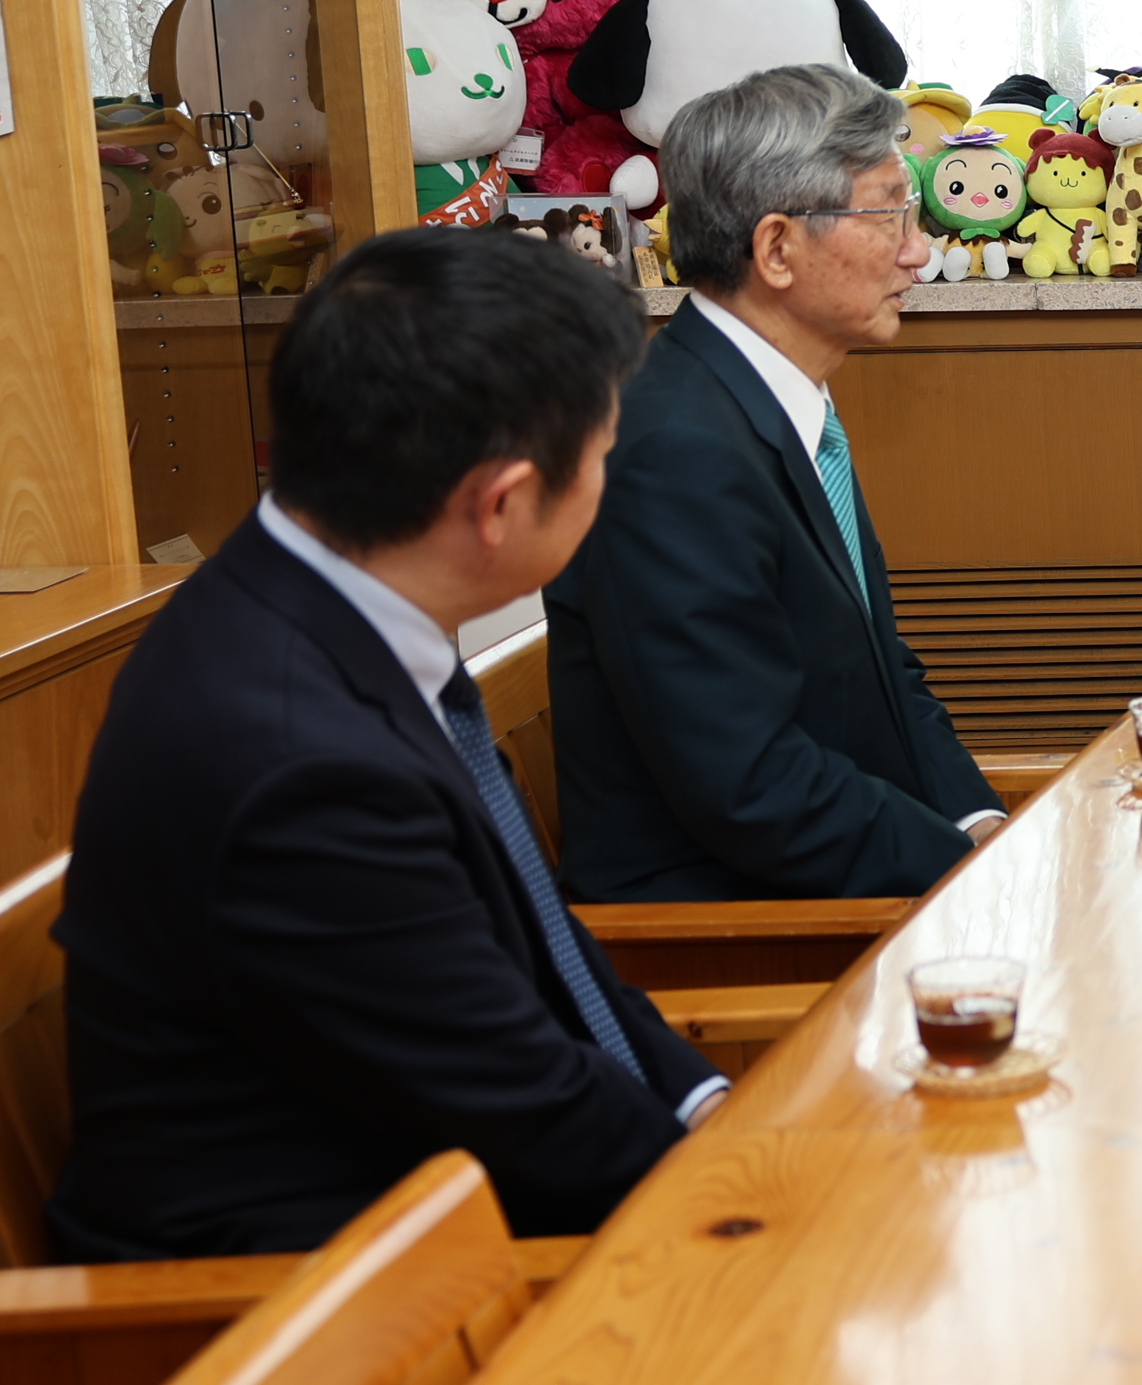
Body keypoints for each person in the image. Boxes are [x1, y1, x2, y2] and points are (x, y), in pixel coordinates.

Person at [51, 230, 719, 1259]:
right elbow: (525, 1106)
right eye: (600, 457)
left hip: (436, 1218)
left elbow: (542, 957)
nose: (609, 480)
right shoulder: (300, 767)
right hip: (294, 1325)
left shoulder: (328, 600)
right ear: (499, 503)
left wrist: (708, 1105)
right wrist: (754, 1190)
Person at [550, 65, 1002, 901]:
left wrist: (981, 825)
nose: (919, 247)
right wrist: (975, 876)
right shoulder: (672, 450)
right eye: (889, 211)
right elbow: (751, 784)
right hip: (728, 942)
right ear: (777, 248)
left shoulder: (770, 397)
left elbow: (880, 668)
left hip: (835, 883)